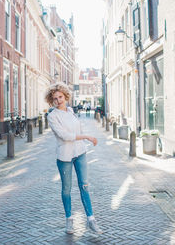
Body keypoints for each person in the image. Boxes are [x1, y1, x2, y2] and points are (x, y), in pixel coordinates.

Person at [45, 82, 102, 235]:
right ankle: (69, 220)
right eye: (55, 99)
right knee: (66, 189)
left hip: (80, 153)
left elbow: (76, 130)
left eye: (60, 97)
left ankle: (91, 219)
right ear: (52, 101)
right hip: (65, 157)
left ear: (66, 96)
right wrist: (87, 136)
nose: (58, 100)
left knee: (84, 185)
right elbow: (65, 136)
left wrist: (83, 139)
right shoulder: (52, 116)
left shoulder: (70, 111)